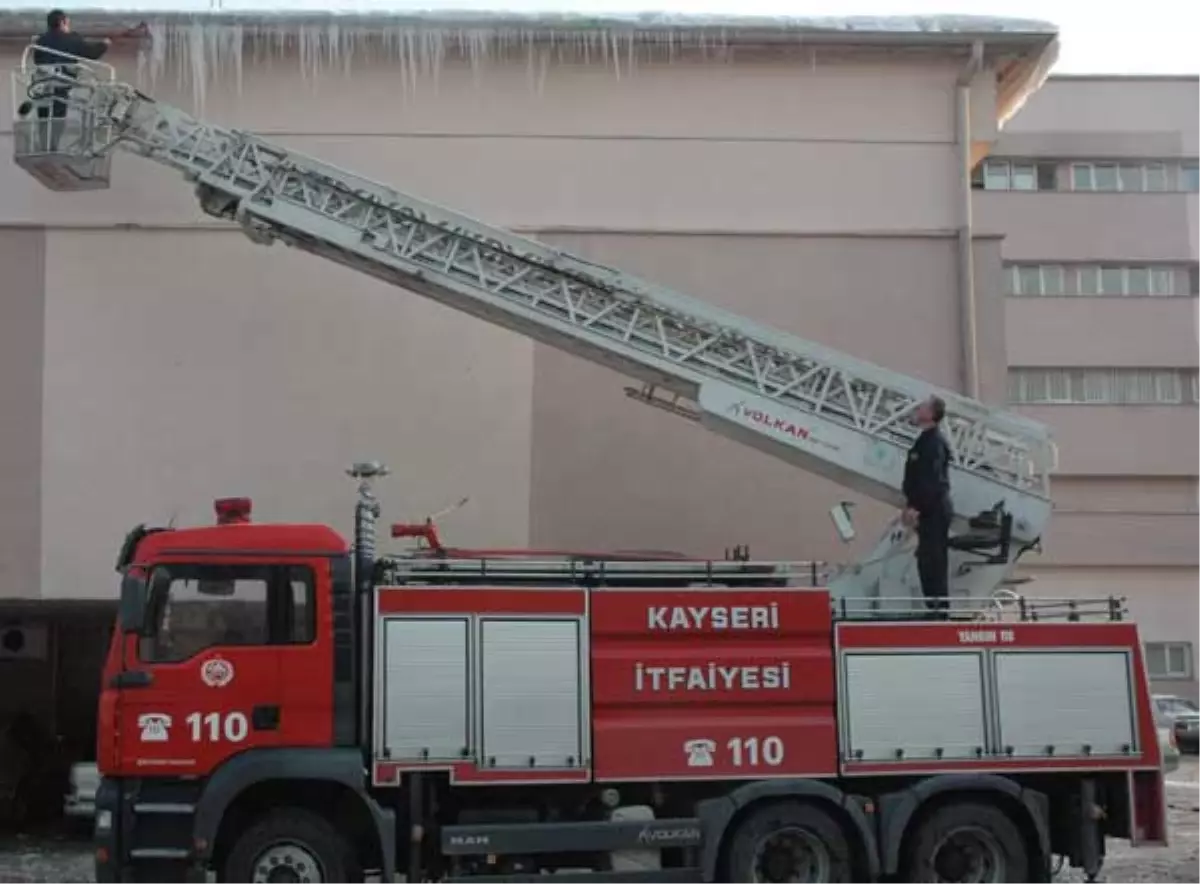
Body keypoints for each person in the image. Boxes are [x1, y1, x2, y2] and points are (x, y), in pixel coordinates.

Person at [901, 394, 953, 618]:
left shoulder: (934, 443)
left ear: (931, 414)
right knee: (926, 560)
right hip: (929, 509)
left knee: (933, 560)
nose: (917, 408)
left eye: (922, 407)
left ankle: (939, 610)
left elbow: (931, 481)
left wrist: (917, 507)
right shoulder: (926, 440)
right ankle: (934, 608)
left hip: (934, 510)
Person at [31, 10, 111, 151]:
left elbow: (37, 59)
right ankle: (53, 148)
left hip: (42, 85)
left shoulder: (40, 40)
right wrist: (104, 44)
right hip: (61, 85)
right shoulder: (72, 39)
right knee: (58, 117)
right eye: (67, 22)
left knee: (44, 117)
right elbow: (91, 53)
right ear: (62, 22)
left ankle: (44, 147)